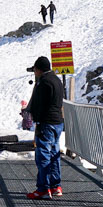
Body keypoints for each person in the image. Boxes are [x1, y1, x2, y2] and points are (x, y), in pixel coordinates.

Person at [26, 56, 64, 199]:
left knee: (43, 155)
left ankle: (43, 189)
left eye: (35, 69)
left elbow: (39, 104)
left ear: (39, 69)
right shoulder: (57, 80)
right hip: (57, 122)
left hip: (46, 123)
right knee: (54, 154)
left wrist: (36, 119)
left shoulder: (43, 83)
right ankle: (56, 186)